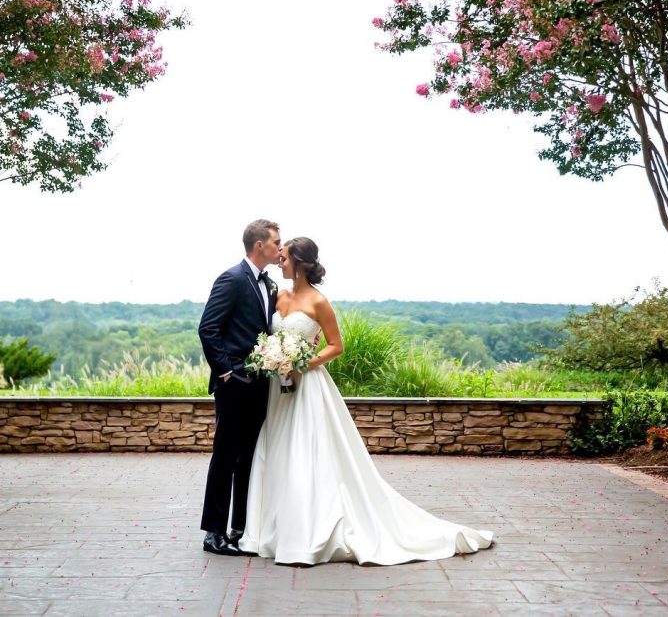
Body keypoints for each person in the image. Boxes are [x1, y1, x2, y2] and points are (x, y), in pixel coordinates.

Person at [238, 237, 494, 565]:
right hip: (279, 390)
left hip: (307, 386)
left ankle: (306, 533)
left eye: (284, 257)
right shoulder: (278, 295)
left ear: (300, 263)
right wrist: (275, 359)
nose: (280, 262)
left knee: (305, 452)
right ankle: (272, 528)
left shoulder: (319, 301)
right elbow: (271, 335)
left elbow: (335, 345)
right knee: (278, 450)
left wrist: (302, 363)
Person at [197, 219, 282, 556]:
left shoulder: (271, 285)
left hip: (262, 385)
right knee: (225, 456)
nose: (280, 247)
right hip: (234, 385)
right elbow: (208, 329)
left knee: (248, 457)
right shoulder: (231, 279)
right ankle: (213, 533)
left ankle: (240, 529)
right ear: (259, 244)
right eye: (276, 242)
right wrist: (227, 373)